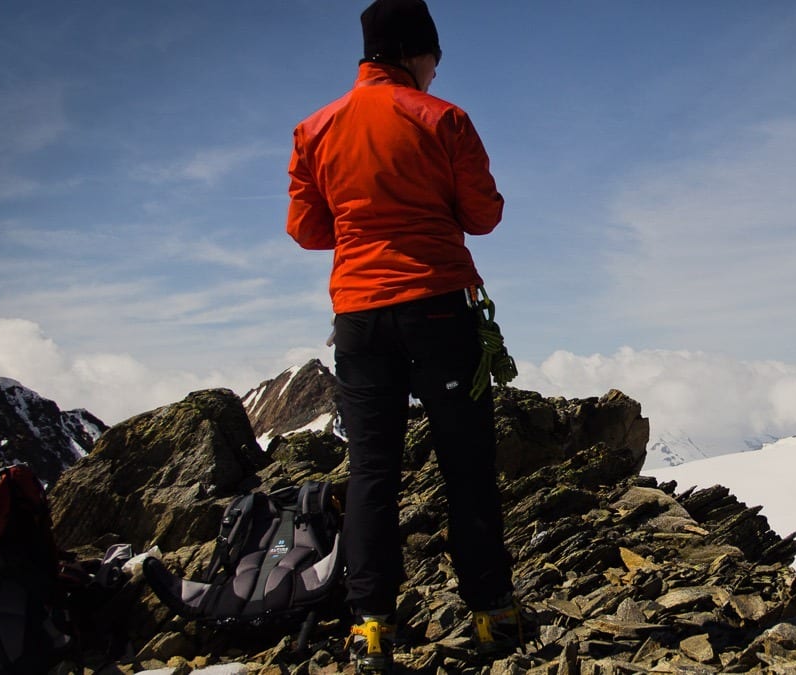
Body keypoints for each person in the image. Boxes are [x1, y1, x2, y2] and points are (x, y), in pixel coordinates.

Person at [285, 0, 525, 671]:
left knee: (371, 472)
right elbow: (485, 215)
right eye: (434, 60)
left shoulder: (315, 128)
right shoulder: (443, 119)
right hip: (438, 308)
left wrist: (362, 218)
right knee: (467, 464)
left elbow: (307, 230)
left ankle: (370, 625)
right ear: (415, 54)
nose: (436, 71)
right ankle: (490, 615)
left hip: (359, 316)